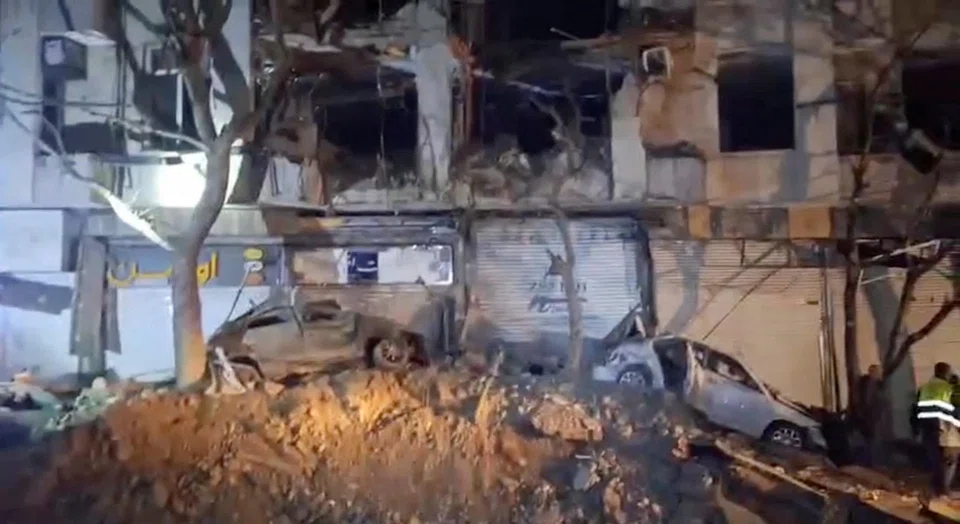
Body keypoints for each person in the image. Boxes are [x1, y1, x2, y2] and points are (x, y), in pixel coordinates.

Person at [915, 362, 960, 497]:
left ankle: (936, 489)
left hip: (927, 427)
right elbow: (956, 409)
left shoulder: (925, 387)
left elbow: (915, 409)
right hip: (944, 427)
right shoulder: (948, 387)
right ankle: (944, 490)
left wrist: (916, 428)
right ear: (946, 373)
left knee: (935, 459)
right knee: (950, 457)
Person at [856, 364, 886, 465]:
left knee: (870, 442)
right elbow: (868, 401)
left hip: (870, 417)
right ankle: (871, 463)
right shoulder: (870, 384)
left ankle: (871, 462)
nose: (880, 374)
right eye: (878, 372)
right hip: (871, 418)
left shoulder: (870, 384)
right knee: (871, 442)